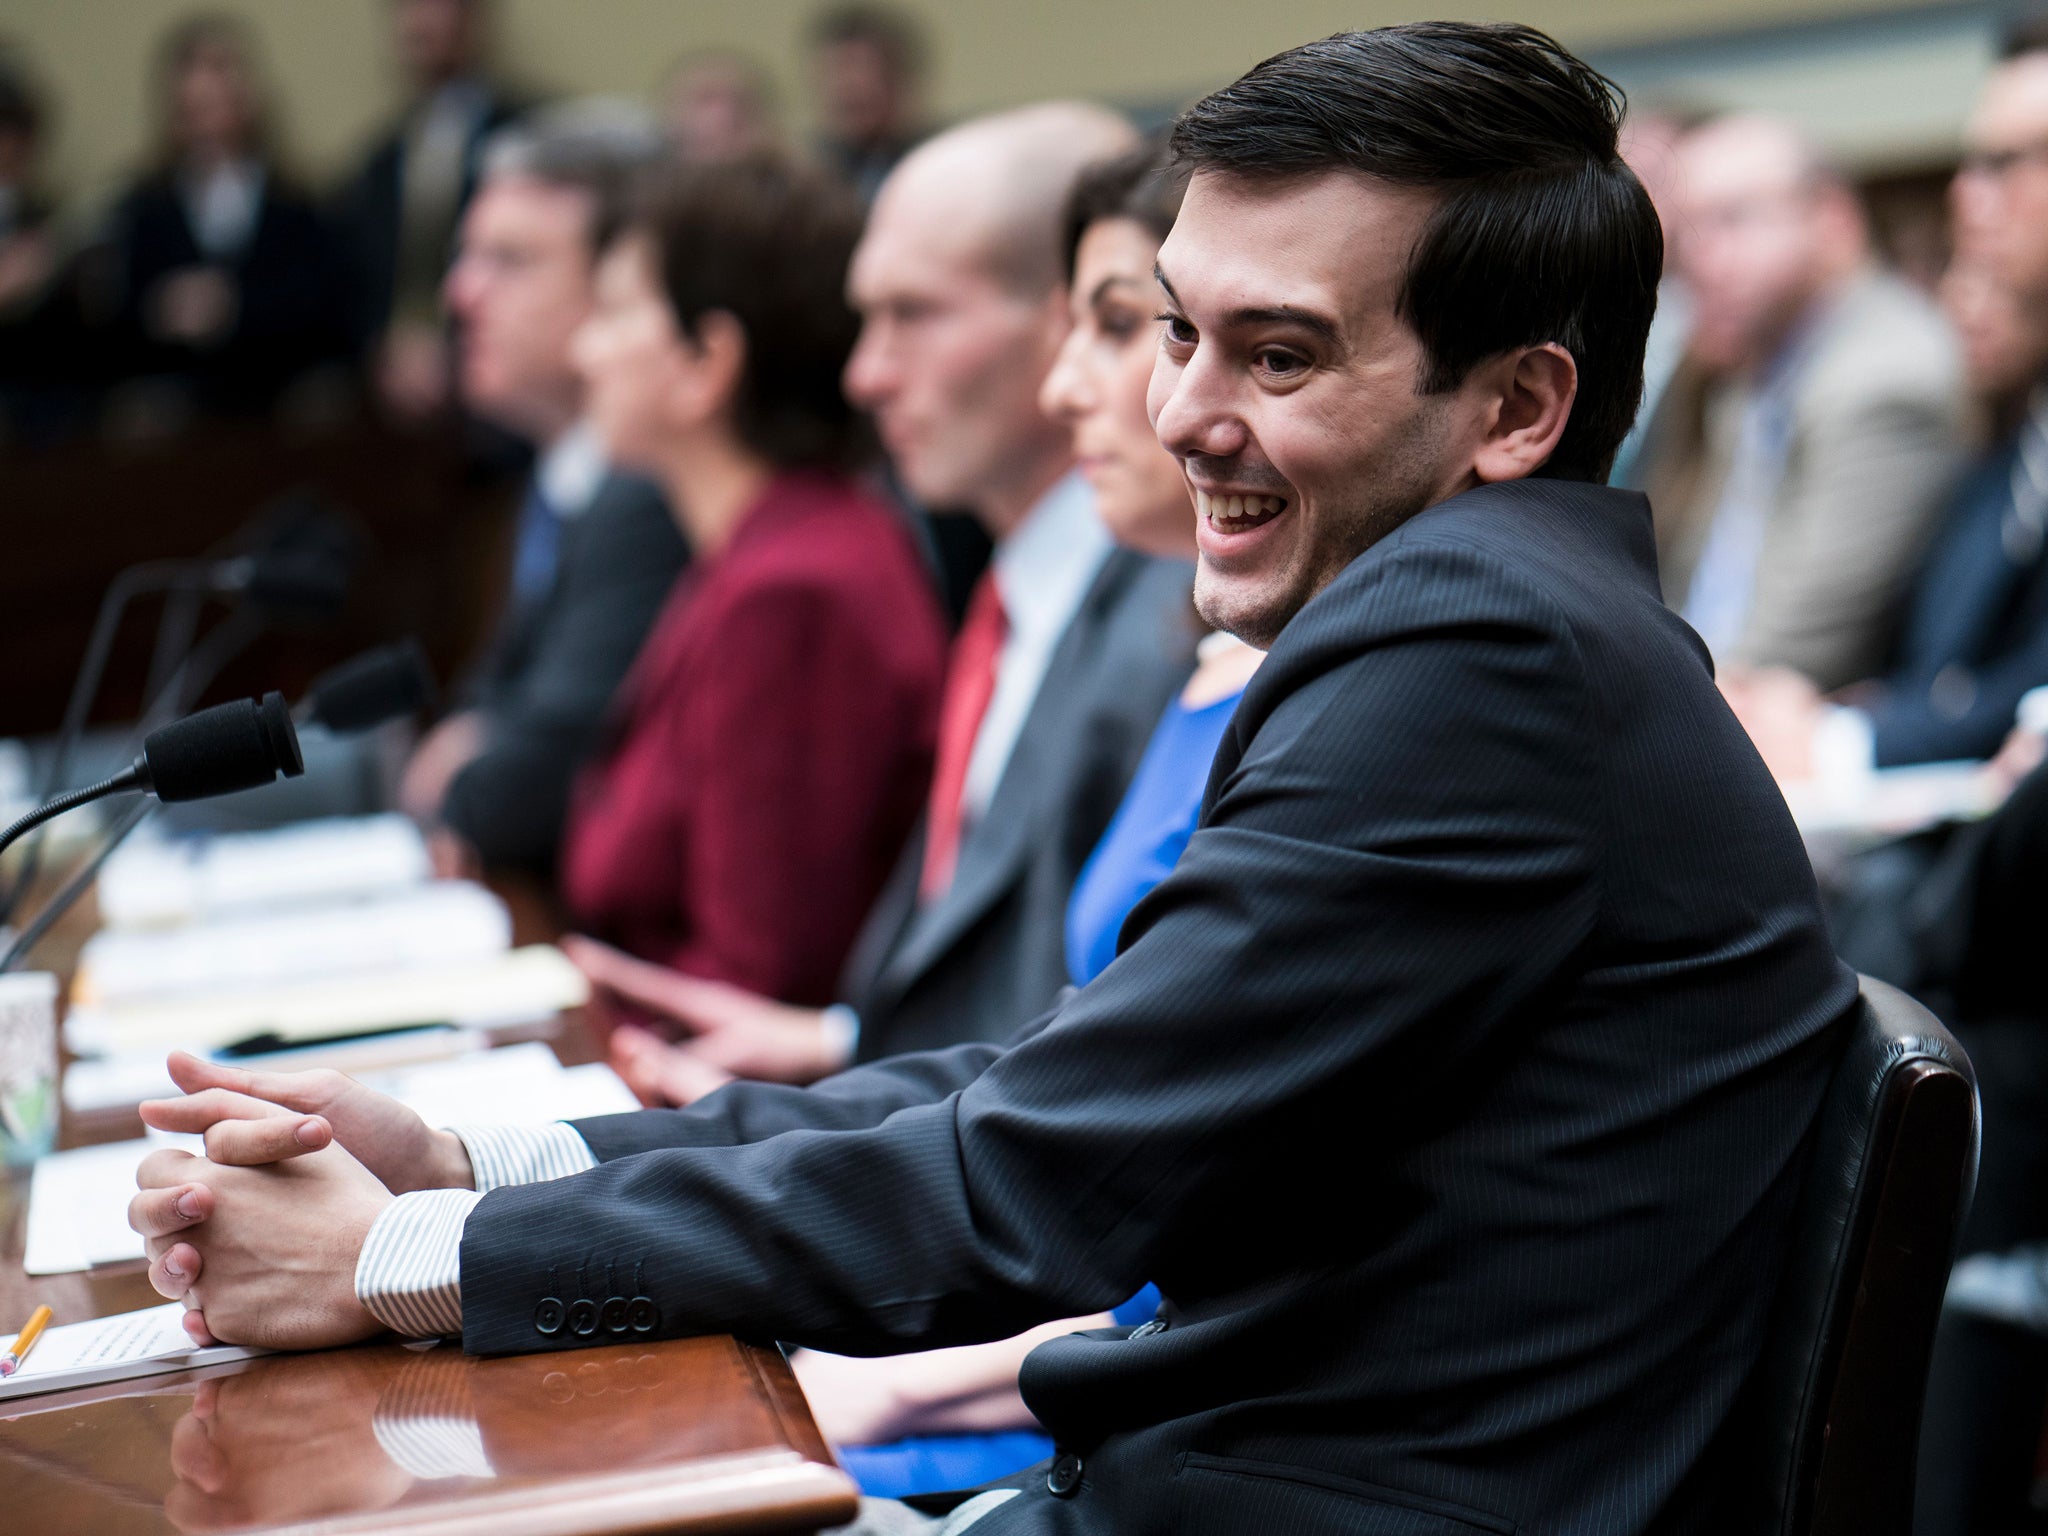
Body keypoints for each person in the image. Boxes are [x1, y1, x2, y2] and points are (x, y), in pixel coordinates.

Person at [133, 24, 1858, 1536]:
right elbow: (1047, 1077)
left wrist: (390, 1263)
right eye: (1175, 332)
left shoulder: (1474, 655)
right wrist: (459, 1155)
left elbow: (1024, 1189)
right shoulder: (1493, 621)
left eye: (1276, 357)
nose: (1183, 411)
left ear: (1518, 404)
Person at [789, 142, 1256, 1500]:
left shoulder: (1293, 711)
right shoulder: (1210, 668)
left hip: (1114, 1403)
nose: (1088, 392)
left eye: (1127, 328)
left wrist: (893, 1380)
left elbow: (1206, 1239)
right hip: (1052, 1334)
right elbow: (1057, 1074)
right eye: (1136, 334)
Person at [579, 101, 1194, 1105]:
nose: (864, 374)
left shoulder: (1171, 618)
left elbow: (1092, 1052)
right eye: (865, 318)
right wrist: (840, 1039)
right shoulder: (1019, 592)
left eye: (913, 314)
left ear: (1062, 315)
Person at [548, 154, 944, 1004]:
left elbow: (763, 977)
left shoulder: (795, 589)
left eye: (616, 312)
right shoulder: (766, 543)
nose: (584, 349)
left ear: (707, 362)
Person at [395, 104, 689, 879]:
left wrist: (473, 759)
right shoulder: (561, 474)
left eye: (511, 260)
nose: (461, 293)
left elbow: (508, 795)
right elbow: (481, 713)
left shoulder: (657, 494)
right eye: (467, 257)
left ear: (625, 283)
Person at [1656, 113, 1964, 694]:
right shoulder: (1756, 372)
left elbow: (1795, 649)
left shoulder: (1884, 381)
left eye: (1733, 220)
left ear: (1833, 218)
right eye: (1689, 233)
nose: (1698, 260)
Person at [98, 15, 346, 422]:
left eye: (223, 67)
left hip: (276, 380)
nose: (210, 85)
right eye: (196, 68)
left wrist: (235, 307)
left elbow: (325, 305)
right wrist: (162, 309)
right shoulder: (144, 205)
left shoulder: (294, 201)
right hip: (179, 385)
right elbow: (115, 316)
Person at [335, 0, 527, 423]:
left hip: (501, 403)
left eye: (435, 5)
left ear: (473, 17)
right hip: (388, 405)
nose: (420, 19)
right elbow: (356, 277)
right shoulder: (379, 158)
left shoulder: (529, 135)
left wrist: (457, 351)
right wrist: (382, 350)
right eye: (405, 7)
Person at [809, 3, 929, 204]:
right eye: (838, 72)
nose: (848, 88)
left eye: (862, 70)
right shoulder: (808, 174)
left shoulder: (936, 166)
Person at [659, 50, 781, 165]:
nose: (725, 114)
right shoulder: (649, 179)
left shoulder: (785, 179)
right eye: (707, 99)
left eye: (741, 101)